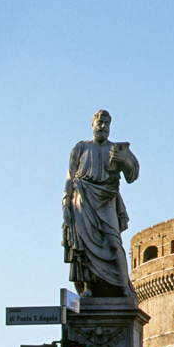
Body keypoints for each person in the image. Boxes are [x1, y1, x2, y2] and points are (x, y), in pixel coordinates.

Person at [62, 109, 139, 301]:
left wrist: (125, 162)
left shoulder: (118, 149)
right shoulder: (80, 148)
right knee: (84, 246)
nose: (103, 126)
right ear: (93, 124)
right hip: (82, 200)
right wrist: (66, 204)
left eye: (106, 123)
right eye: (100, 122)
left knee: (114, 243)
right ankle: (88, 287)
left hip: (106, 200)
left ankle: (124, 287)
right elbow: (70, 178)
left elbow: (133, 174)